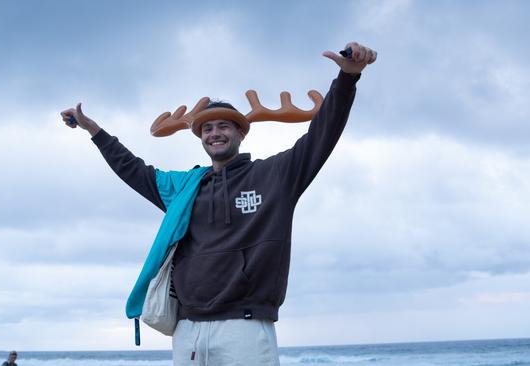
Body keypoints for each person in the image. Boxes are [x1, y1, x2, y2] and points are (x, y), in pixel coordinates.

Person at [61, 42, 376, 365]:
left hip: (246, 326)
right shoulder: (184, 187)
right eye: (207, 128)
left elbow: (321, 136)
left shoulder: (276, 175)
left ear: (241, 133)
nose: (215, 133)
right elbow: (133, 170)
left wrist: (347, 79)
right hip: (187, 329)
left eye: (224, 126)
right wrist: (94, 130)